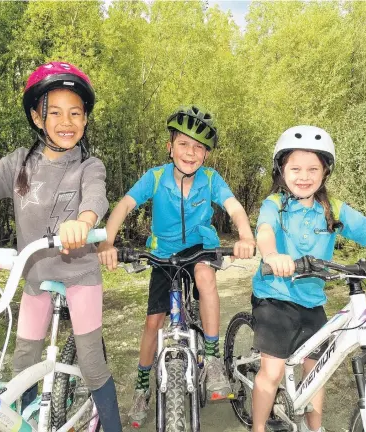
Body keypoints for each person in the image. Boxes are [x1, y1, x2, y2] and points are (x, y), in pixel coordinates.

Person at [0, 61, 122, 431]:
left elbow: (96, 197)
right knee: (24, 364)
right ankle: (29, 423)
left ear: (86, 119)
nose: (67, 121)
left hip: (81, 276)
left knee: (93, 365)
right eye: (55, 112)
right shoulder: (19, 165)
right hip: (34, 277)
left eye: (76, 113)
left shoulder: (89, 165)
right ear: (36, 116)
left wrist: (84, 222)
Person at [97, 105, 256, 428]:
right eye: (184, 144)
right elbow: (125, 205)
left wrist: (245, 235)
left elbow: (234, 207)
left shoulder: (210, 179)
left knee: (203, 275)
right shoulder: (155, 177)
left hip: (200, 248)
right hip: (164, 254)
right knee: (154, 320)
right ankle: (142, 387)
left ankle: (211, 357)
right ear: (170, 148)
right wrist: (106, 242)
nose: (191, 152)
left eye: (199, 147)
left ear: (206, 156)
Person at [251, 125, 366, 432]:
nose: (303, 176)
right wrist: (271, 255)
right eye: (295, 168)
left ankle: (315, 427)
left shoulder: (331, 209)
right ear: (282, 170)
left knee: (318, 370)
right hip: (275, 297)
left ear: (324, 172)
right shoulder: (275, 205)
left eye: (312, 169)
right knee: (273, 370)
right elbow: (265, 231)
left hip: (312, 300)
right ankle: (258, 427)